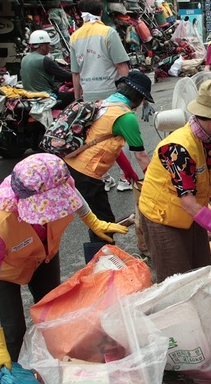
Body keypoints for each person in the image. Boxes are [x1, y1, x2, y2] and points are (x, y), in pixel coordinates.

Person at [0, 154, 128, 378]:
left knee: (53, 312)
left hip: (43, 253)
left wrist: (94, 222)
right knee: (12, 332)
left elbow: (76, 197)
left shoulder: (60, 181)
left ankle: (58, 366)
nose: (47, 216)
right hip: (6, 268)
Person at [139, 80, 211, 283]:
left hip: (194, 215)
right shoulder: (177, 148)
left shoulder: (210, 138)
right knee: (178, 282)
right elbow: (187, 201)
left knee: (202, 273)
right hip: (164, 218)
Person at [64, 71, 154, 260]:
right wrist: (157, 182)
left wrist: (128, 171)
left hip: (72, 165)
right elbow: (141, 155)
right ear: (137, 97)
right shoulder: (125, 116)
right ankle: (101, 266)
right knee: (103, 223)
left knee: (97, 217)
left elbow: (110, 144)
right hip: (86, 173)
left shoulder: (105, 104)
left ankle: (103, 260)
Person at [70, 0, 130, 102]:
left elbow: (75, 73)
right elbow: (121, 65)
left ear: (81, 14)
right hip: (111, 93)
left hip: (88, 95)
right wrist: (129, 94)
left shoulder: (74, 37)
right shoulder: (108, 32)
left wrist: (77, 100)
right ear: (101, 13)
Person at [20, 30, 73, 109]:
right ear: (42, 46)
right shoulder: (45, 60)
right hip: (46, 96)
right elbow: (66, 76)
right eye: (48, 44)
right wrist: (79, 74)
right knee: (75, 96)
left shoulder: (25, 58)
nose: (49, 47)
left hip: (30, 96)